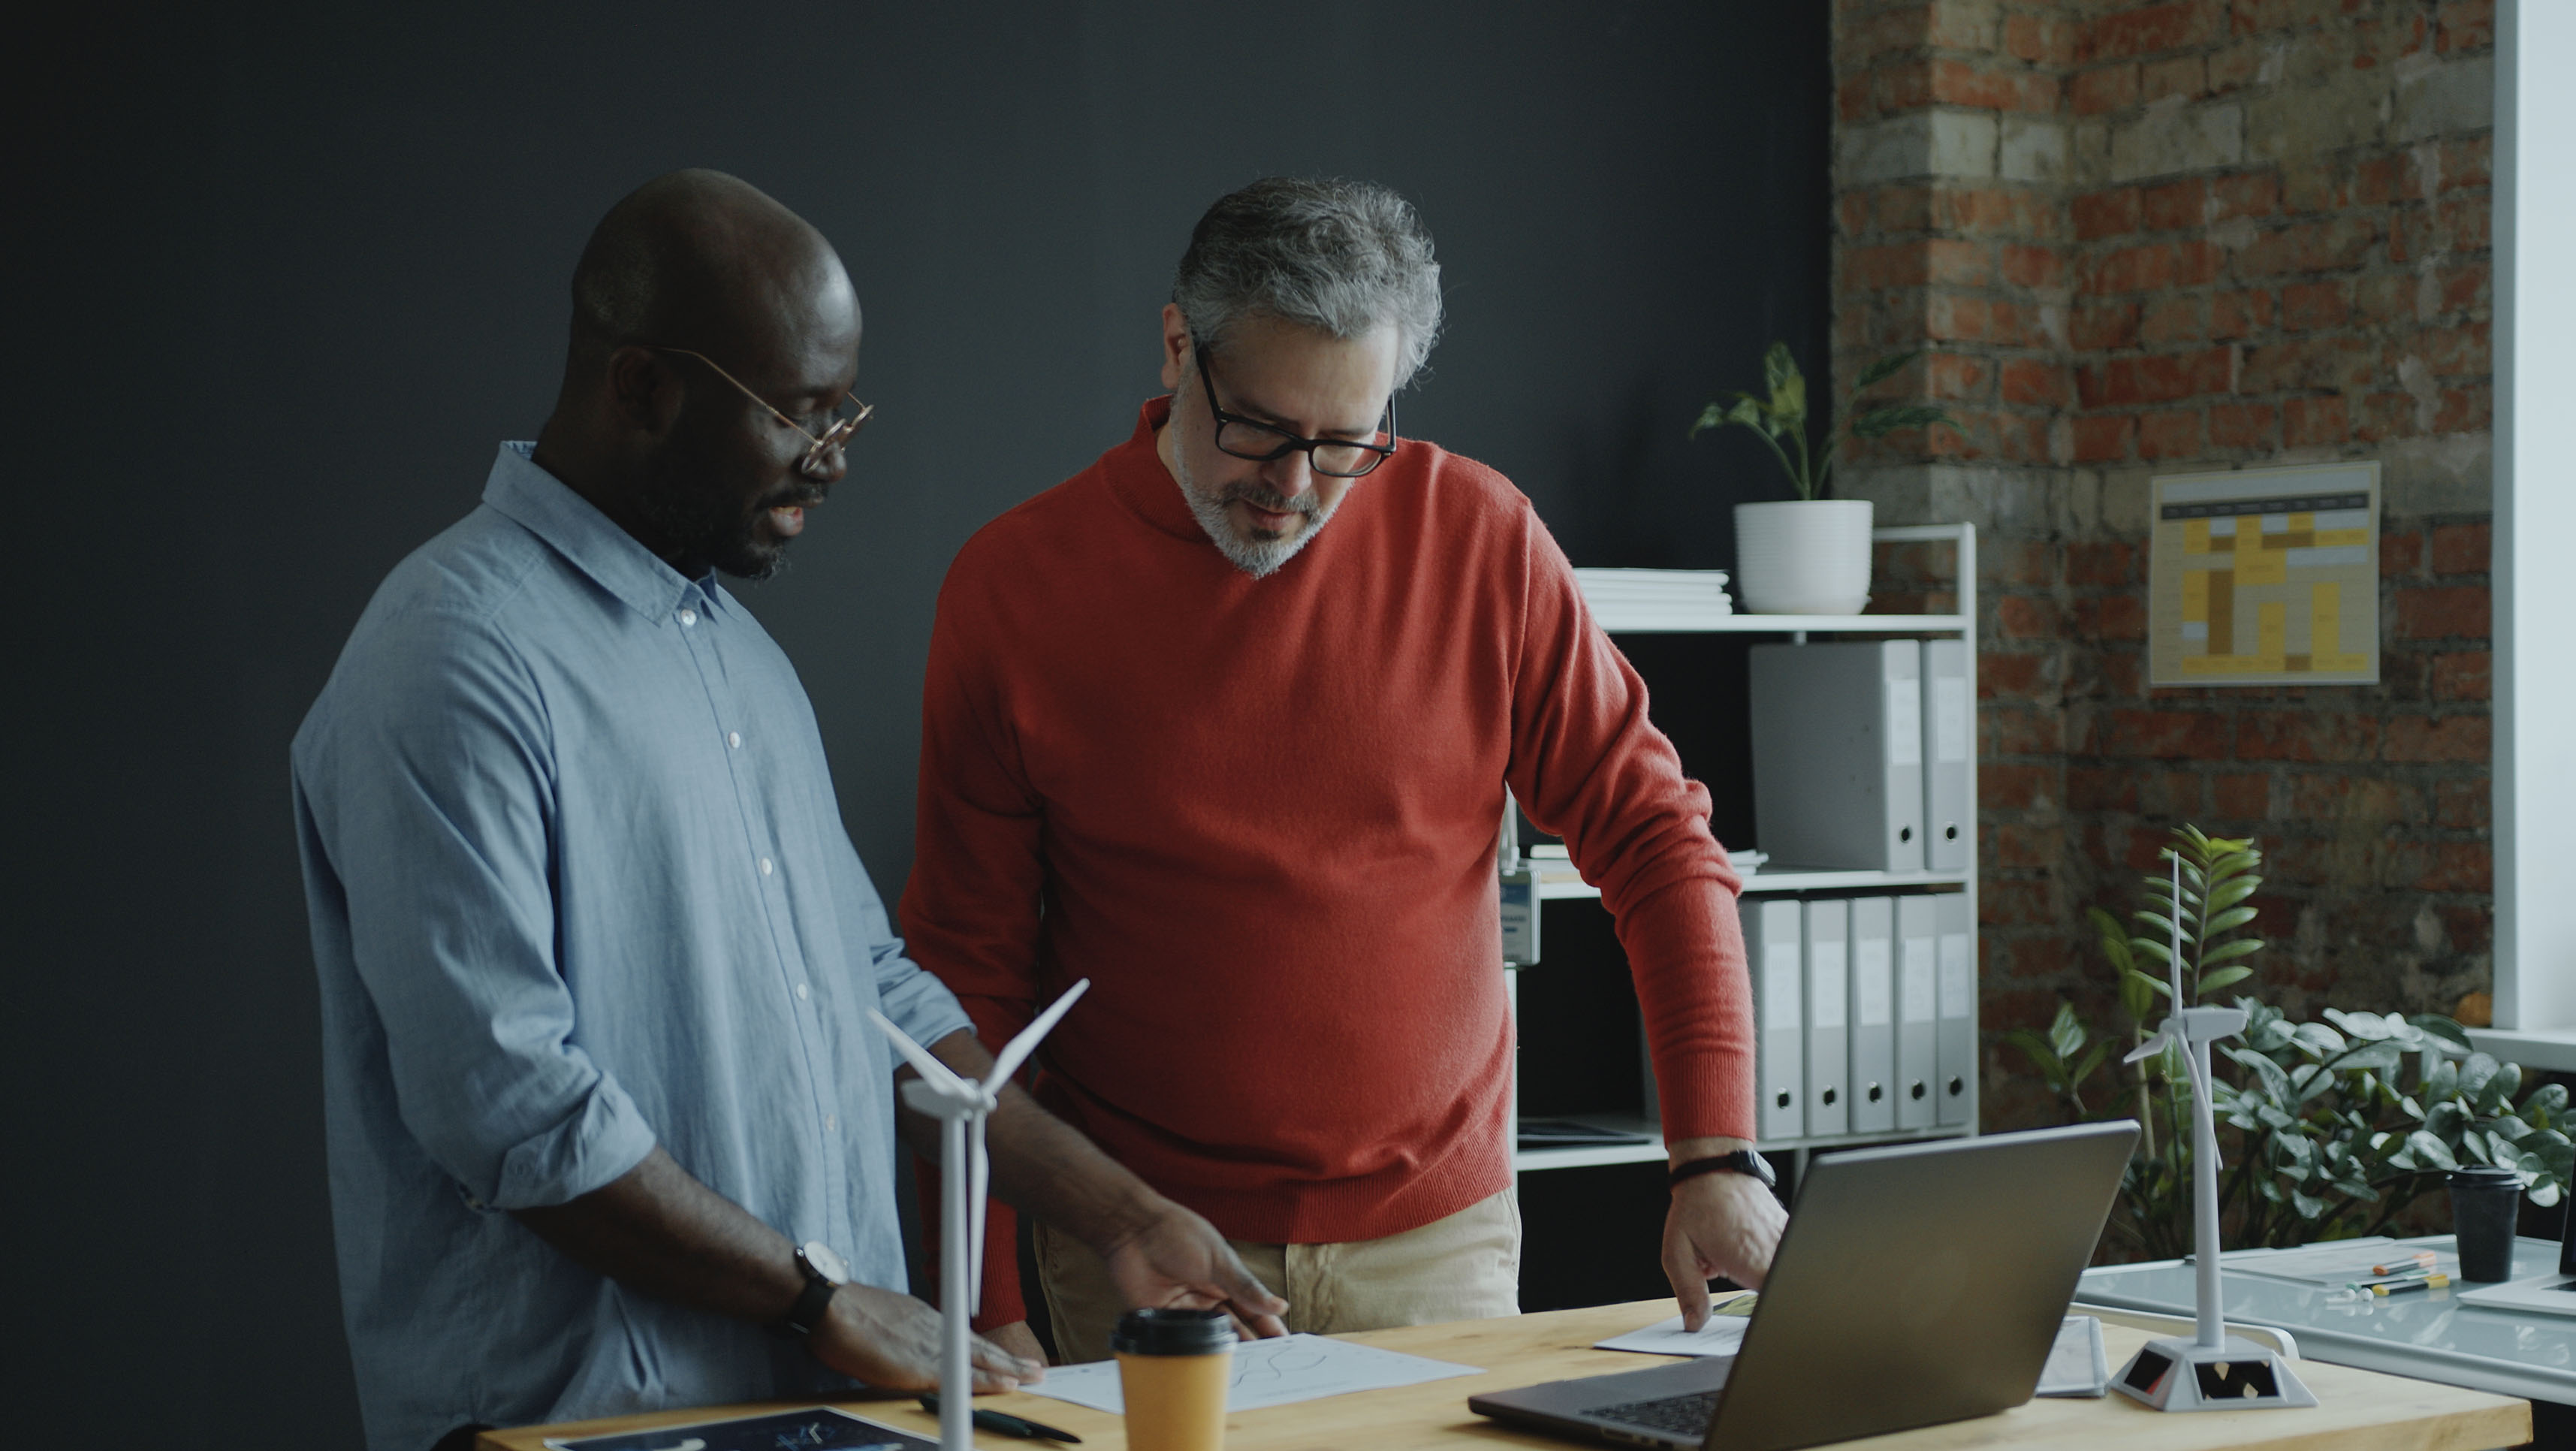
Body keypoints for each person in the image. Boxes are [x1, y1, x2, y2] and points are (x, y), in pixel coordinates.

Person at [291, 170, 1283, 1451]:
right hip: (581, 1427)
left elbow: (874, 999)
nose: (835, 455)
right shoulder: (450, 655)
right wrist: (821, 1300)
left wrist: (1121, 1217)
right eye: (798, 413)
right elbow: (513, 1111)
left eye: (844, 410)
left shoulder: (737, 656)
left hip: (810, 1414)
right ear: (641, 386)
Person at [903, 176, 1787, 1366]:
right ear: (1178, 348)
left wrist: (1714, 1155)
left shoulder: (1478, 538)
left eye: (1344, 444)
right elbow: (967, 970)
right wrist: (981, 1296)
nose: (1293, 486)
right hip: (1136, 1241)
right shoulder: (1016, 587)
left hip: (1435, 1248)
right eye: (1260, 429)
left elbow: (1656, 839)